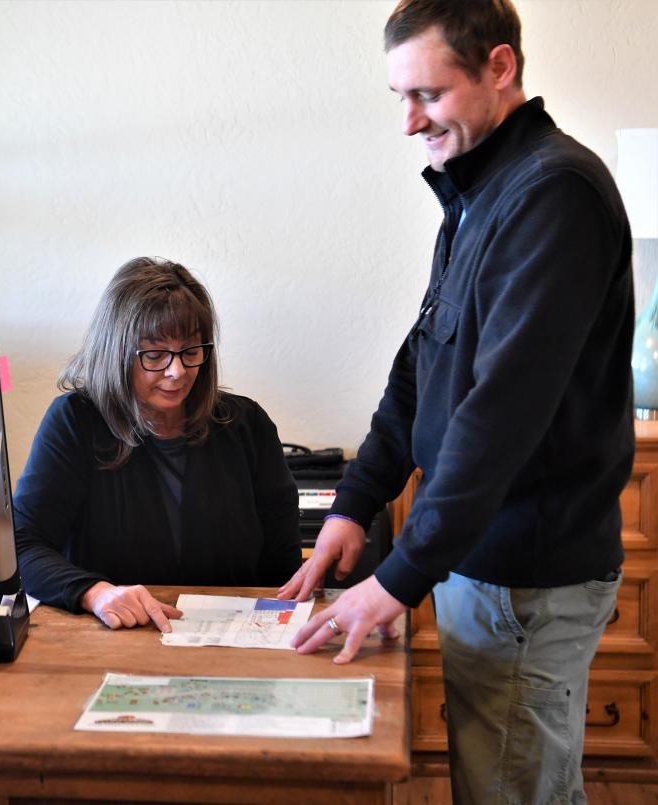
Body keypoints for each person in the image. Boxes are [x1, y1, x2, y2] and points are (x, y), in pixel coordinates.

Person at [279, 1, 633, 802]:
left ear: (500, 69)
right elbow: (422, 369)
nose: (409, 122)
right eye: (400, 97)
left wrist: (397, 577)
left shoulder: (554, 195)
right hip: (482, 563)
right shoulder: (478, 191)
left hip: (526, 576)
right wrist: (353, 504)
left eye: (427, 96)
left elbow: (496, 419)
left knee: (513, 790)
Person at [14, 256, 301, 632]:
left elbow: (283, 570)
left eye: (190, 351)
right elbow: (23, 545)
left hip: (230, 644)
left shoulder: (247, 425)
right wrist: (94, 593)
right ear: (117, 352)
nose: (177, 371)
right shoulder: (76, 421)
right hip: (115, 636)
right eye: (154, 354)